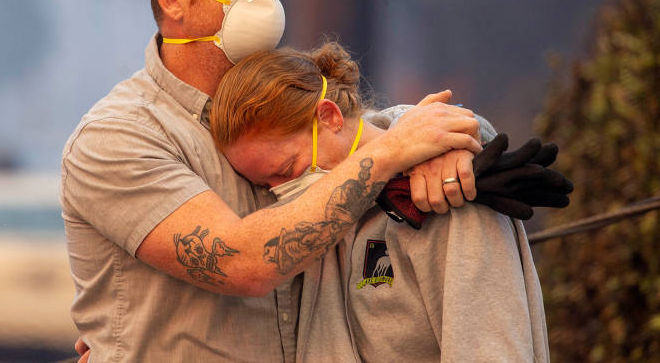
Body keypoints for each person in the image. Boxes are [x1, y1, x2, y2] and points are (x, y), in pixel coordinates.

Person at [61, 0, 484, 362]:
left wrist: (438, 141)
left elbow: (359, 129)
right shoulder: (117, 138)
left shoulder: (273, 102)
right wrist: (389, 155)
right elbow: (242, 262)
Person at [209, 42, 552, 362]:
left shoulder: (447, 190)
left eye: (287, 170)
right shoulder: (316, 230)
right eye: (265, 186)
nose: (283, 193)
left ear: (329, 117)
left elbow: (490, 348)